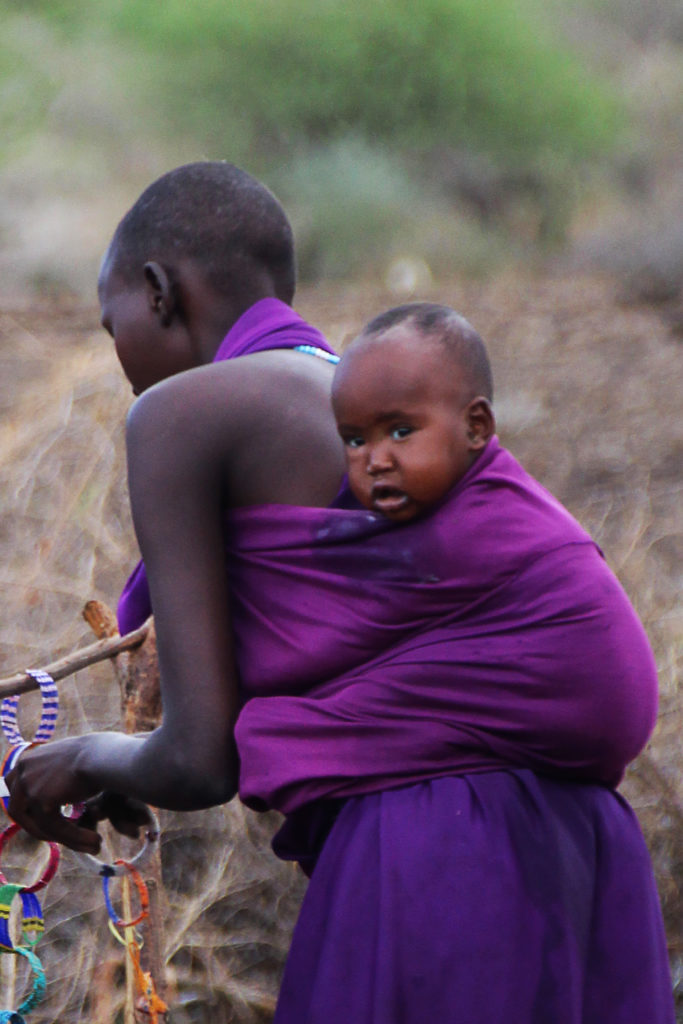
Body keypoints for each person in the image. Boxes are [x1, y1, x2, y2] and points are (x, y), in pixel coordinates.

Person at [6, 166, 674, 1020]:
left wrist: (71, 759)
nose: (121, 358)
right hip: (583, 855)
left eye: (114, 325)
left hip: (432, 854)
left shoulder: (180, 415)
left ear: (158, 291)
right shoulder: (385, 409)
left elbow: (196, 759)